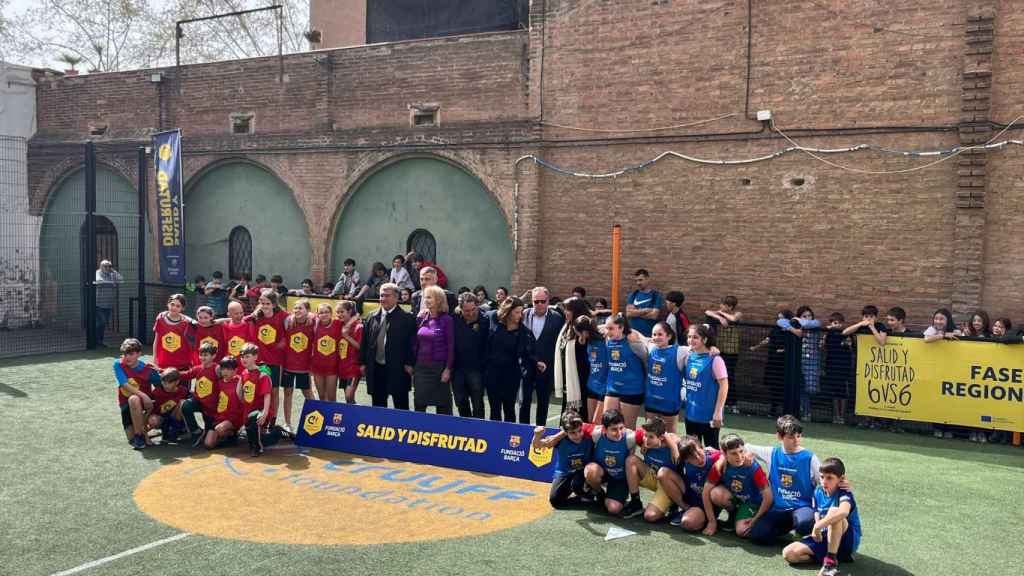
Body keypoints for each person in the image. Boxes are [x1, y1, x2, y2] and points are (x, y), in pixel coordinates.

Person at [744, 415, 820, 545]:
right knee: (757, 536)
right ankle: (786, 528)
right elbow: (744, 446)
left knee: (804, 523)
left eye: (799, 436)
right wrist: (745, 455)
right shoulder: (771, 453)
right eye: (791, 437)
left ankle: (801, 531)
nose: (796, 440)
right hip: (779, 508)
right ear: (779, 436)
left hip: (802, 508)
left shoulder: (810, 457)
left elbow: (825, 481)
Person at [782, 457, 862, 576]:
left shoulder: (844, 492)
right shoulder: (818, 492)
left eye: (829, 478)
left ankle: (829, 565)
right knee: (789, 554)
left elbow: (844, 512)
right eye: (822, 477)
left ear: (841, 479)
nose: (824, 481)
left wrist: (817, 526)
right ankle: (832, 559)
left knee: (835, 511)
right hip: (826, 537)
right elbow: (816, 513)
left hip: (847, 540)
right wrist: (818, 526)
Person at [702, 433, 773, 538]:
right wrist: (712, 522)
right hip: (736, 497)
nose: (739, 457)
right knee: (715, 494)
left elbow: (768, 497)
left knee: (741, 531)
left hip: (753, 502)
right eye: (733, 453)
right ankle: (734, 515)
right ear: (725, 454)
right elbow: (705, 493)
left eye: (741, 451)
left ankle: (763, 519)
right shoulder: (719, 465)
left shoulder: (752, 467)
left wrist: (755, 519)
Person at [359, 283, 416, 410]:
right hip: (376, 368)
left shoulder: (407, 319)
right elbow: (365, 342)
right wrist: (362, 362)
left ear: (396, 297)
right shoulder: (371, 317)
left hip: (399, 369)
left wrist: (409, 363)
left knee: (401, 407)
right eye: (381, 295)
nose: (383, 298)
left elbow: (412, 344)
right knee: (378, 407)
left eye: (387, 295)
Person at [580, 409, 645, 515]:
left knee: (613, 509)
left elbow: (656, 432)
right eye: (614, 429)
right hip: (602, 472)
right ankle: (599, 492)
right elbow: (574, 425)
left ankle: (617, 496)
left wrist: (646, 442)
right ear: (604, 429)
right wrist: (555, 438)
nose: (619, 433)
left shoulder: (630, 437)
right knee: (590, 471)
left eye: (621, 428)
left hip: (619, 478)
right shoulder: (596, 433)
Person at [484, 296, 536, 422]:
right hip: (492, 373)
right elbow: (478, 313)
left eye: (521, 312)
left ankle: (509, 439)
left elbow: (528, 352)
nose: (520, 315)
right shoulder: (492, 318)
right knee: (495, 409)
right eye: (517, 312)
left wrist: (537, 362)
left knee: (509, 409)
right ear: (507, 311)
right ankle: (494, 437)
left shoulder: (523, 331)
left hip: (511, 375)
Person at [658, 435, 723, 531]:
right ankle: (685, 509)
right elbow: (666, 436)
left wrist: (720, 452)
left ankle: (705, 517)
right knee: (663, 473)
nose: (697, 457)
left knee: (687, 522)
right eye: (692, 457)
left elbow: (734, 453)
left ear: (701, 447)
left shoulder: (715, 458)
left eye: (698, 451)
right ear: (686, 460)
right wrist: (645, 444)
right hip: (691, 494)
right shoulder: (683, 457)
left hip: (707, 502)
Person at [521, 287, 565, 425]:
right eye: (536, 301)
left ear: (548, 301)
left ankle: (541, 430)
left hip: (547, 366)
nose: (539, 304)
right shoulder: (523, 315)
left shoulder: (557, 318)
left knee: (543, 401)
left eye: (542, 301)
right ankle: (523, 430)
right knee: (524, 400)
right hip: (526, 365)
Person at [623, 416, 681, 521]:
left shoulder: (673, 444)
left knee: (650, 516)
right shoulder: (645, 440)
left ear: (662, 437)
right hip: (652, 477)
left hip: (667, 485)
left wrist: (673, 447)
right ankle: (635, 502)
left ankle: (673, 504)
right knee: (630, 460)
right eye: (646, 436)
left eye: (651, 437)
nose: (647, 440)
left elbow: (676, 438)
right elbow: (629, 433)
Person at [532, 410, 594, 509]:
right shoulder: (559, 440)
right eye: (573, 433)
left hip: (584, 472)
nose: (578, 435)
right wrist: (537, 435)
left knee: (577, 484)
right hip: (565, 473)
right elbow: (537, 445)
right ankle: (581, 499)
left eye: (579, 431)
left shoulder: (588, 435)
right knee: (555, 501)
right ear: (565, 432)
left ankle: (591, 494)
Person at [245, 289, 288, 425]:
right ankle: (260, 418)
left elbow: (297, 320)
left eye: (267, 303)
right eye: (262, 302)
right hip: (260, 361)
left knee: (274, 391)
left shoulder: (283, 316)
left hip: (275, 361)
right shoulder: (255, 316)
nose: (264, 306)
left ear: (274, 304)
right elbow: (237, 319)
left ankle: (273, 420)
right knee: (259, 390)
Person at [683, 324, 729, 449]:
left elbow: (724, 387)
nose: (691, 340)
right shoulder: (688, 356)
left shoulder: (716, 360)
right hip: (691, 414)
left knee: (712, 451)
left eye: (695, 337)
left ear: (705, 340)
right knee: (692, 450)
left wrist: (718, 412)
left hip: (709, 416)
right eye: (689, 337)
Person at [413, 285, 455, 414]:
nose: (426, 300)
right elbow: (414, 342)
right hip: (421, 368)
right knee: (419, 404)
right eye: (425, 297)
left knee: (443, 407)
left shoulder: (447, 320)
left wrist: (447, 369)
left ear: (439, 300)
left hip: (439, 369)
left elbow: (451, 347)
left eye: (429, 297)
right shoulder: (421, 318)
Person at [602, 313, 648, 429]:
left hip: (632, 390)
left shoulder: (633, 342)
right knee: (607, 424)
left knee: (627, 429)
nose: (608, 331)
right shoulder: (608, 341)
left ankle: (629, 448)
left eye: (611, 328)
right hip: (612, 388)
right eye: (606, 328)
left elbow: (647, 360)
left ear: (622, 328)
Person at [114, 338, 161, 450]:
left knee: (155, 421)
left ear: (139, 354)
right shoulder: (118, 364)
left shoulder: (148, 370)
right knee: (130, 438)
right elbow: (124, 384)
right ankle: (141, 433)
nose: (127, 357)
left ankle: (140, 434)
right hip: (126, 405)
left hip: (145, 407)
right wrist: (143, 395)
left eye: (131, 354)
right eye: (125, 354)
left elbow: (162, 387)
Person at [238, 343, 281, 457]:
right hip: (248, 411)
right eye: (242, 356)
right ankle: (272, 434)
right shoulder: (244, 373)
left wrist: (265, 413)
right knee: (248, 436)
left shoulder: (263, 375)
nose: (244, 359)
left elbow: (267, 395)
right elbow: (241, 393)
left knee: (253, 419)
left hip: (260, 412)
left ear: (255, 357)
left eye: (247, 356)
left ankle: (258, 447)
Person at [453, 292, 489, 418]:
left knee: (478, 404)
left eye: (473, 309)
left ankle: (479, 432)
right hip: (458, 369)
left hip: (477, 370)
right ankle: (466, 430)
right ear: (460, 309)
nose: (471, 313)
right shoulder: (455, 318)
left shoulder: (485, 321)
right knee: (460, 402)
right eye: (466, 310)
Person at [553, 297, 591, 418]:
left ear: (576, 310)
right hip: (567, 379)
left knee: (580, 414)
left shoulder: (584, 327)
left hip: (580, 379)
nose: (565, 312)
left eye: (568, 310)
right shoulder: (566, 327)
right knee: (567, 415)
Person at [281, 299, 315, 434]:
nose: (297, 311)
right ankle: (287, 423)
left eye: (300, 308)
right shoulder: (288, 321)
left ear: (307, 310)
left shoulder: (313, 322)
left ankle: (317, 420)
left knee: (308, 394)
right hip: (288, 365)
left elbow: (321, 316)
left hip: (304, 367)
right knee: (287, 393)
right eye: (295, 308)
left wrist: (312, 316)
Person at [704, 295, 742, 413]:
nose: (720, 306)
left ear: (730, 306)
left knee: (729, 377)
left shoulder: (738, 313)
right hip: (720, 350)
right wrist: (719, 317)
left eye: (723, 305)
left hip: (732, 351)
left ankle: (732, 403)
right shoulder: (719, 314)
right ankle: (720, 402)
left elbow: (734, 319)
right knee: (716, 376)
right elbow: (707, 312)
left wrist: (722, 315)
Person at [180, 342, 222, 448]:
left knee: (208, 440)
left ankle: (230, 435)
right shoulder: (198, 368)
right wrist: (166, 371)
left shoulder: (217, 369)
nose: (203, 357)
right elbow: (186, 375)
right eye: (201, 355)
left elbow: (225, 385)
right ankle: (196, 431)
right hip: (199, 402)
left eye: (206, 355)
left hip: (212, 407)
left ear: (213, 356)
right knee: (186, 405)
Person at [205, 355, 244, 449]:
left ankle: (233, 432)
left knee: (220, 429)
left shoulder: (241, 381)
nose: (225, 371)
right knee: (208, 444)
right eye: (223, 369)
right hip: (220, 417)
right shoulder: (219, 383)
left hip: (234, 418)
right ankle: (229, 437)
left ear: (235, 370)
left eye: (228, 369)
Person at [823, 313, 853, 424]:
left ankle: (842, 416)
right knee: (834, 392)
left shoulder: (846, 334)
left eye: (840, 323)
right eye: (835, 323)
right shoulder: (829, 335)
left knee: (843, 392)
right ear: (831, 323)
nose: (838, 325)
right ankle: (836, 415)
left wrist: (847, 343)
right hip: (832, 367)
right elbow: (825, 346)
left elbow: (850, 346)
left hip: (844, 367)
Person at [576, 316, 606, 424]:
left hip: (604, 387)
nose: (578, 336)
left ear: (584, 332)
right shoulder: (589, 341)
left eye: (578, 333)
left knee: (597, 422)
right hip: (592, 385)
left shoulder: (605, 341)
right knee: (589, 421)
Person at [152, 293, 194, 371]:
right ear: (168, 304)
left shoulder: (187, 323)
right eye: (172, 304)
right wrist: (155, 358)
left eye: (178, 306)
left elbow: (192, 344)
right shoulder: (160, 318)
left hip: (182, 365)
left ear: (183, 308)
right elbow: (156, 340)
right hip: (163, 364)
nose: (174, 307)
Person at [310, 302, 339, 402]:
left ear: (331, 313)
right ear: (317, 314)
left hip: (332, 367)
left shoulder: (337, 324)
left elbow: (354, 317)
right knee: (321, 396)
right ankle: (324, 416)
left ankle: (332, 416)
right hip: (317, 366)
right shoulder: (314, 324)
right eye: (321, 313)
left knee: (331, 397)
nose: (324, 315)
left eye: (326, 312)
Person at [336, 300, 364, 404]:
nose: (339, 315)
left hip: (353, 368)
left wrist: (346, 336)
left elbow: (361, 347)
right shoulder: (339, 325)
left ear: (349, 311)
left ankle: (359, 416)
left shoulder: (358, 327)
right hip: (342, 367)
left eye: (342, 312)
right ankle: (353, 418)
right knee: (348, 399)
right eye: (337, 312)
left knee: (349, 396)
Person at [93, 259, 123, 347]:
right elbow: (99, 281)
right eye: (105, 266)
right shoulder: (97, 273)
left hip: (108, 304)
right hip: (98, 303)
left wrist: (113, 271)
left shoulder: (112, 274)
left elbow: (121, 279)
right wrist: (112, 283)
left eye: (109, 266)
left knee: (103, 323)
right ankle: (94, 340)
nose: (107, 268)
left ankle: (100, 342)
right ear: (101, 266)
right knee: (101, 322)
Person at [626, 268, 663, 337]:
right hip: (633, 335)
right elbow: (628, 314)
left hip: (649, 335)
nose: (638, 283)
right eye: (636, 281)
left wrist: (635, 312)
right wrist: (646, 310)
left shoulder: (656, 295)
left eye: (640, 280)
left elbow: (654, 316)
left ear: (647, 279)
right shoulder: (633, 295)